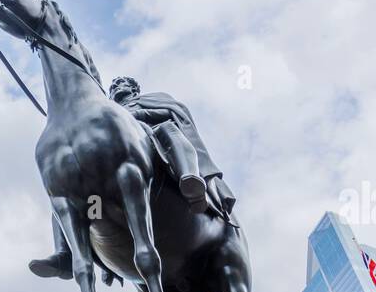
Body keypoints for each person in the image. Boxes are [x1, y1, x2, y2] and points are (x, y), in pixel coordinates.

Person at [29, 76, 239, 281]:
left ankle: (189, 178)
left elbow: (174, 113)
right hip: (113, 160)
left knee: (168, 129)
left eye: (123, 83)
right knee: (66, 187)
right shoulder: (102, 112)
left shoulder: (152, 99)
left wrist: (133, 116)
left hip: (149, 141)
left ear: (134, 89)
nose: (117, 86)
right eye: (113, 85)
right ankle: (65, 254)